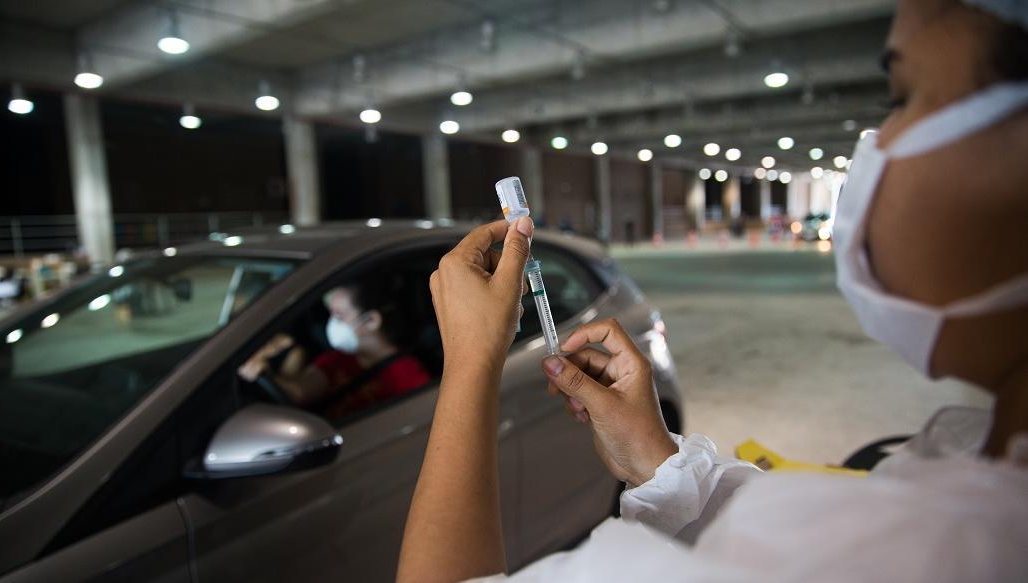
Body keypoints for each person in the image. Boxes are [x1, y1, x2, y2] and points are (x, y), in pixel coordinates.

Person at [396, 0, 1028, 581]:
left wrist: (471, 365)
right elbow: (778, 533)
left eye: (905, 97)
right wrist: (657, 459)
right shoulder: (976, 484)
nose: (875, 146)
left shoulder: (942, 549)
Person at [239, 279, 431, 416]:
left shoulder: (410, 377)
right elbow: (301, 392)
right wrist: (265, 374)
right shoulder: (337, 358)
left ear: (371, 320)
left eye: (339, 317)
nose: (332, 325)